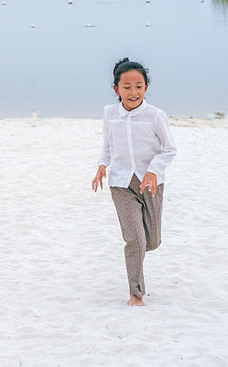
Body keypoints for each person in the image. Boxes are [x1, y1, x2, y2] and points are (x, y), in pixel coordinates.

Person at [91, 58, 177, 307]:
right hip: (120, 183)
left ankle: (141, 251)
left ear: (146, 88)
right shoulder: (109, 113)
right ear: (116, 89)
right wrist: (101, 166)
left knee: (152, 241)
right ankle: (135, 293)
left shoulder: (155, 115)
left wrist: (153, 171)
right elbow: (107, 144)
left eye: (139, 86)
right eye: (126, 87)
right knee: (135, 240)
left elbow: (169, 150)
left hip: (150, 184)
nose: (133, 92)